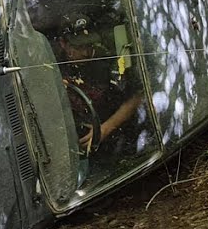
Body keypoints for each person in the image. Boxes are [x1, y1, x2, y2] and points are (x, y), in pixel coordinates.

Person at [56, 18, 143, 154]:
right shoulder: (53, 64)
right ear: (63, 43)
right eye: (79, 47)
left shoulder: (107, 63)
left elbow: (136, 97)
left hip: (111, 135)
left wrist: (105, 129)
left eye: (89, 45)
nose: (86, 53)